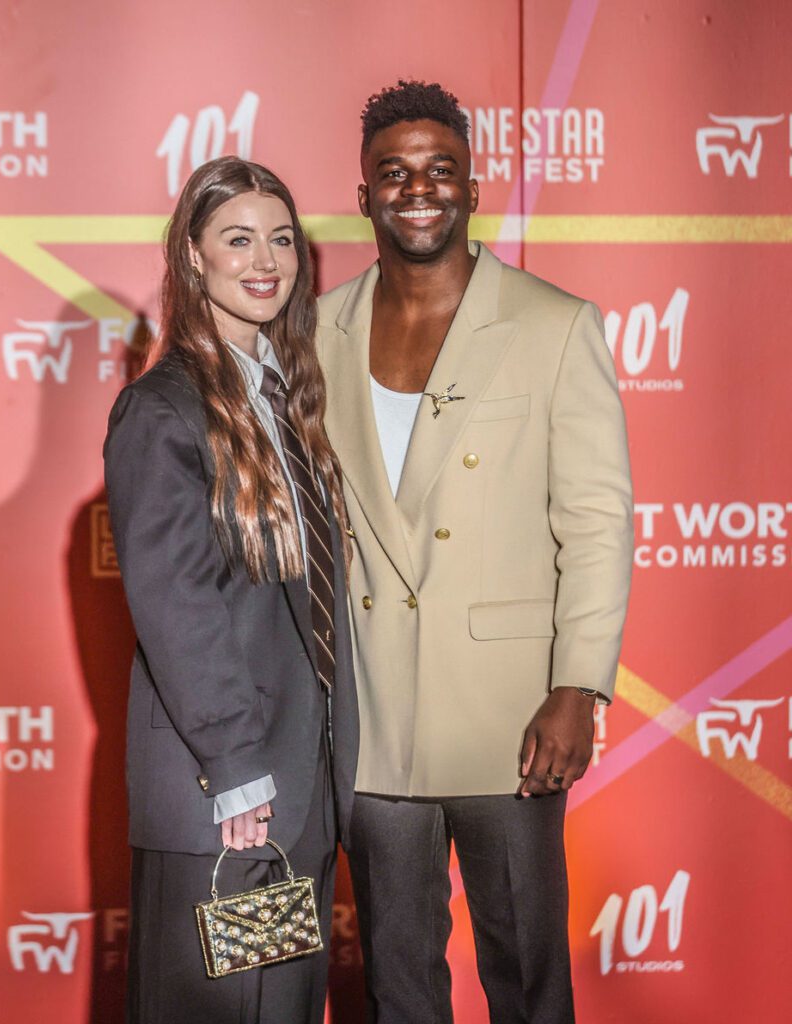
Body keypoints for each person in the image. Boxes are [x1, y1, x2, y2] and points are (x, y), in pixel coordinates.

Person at [316, 81, 633, 1023]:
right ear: (366, 191)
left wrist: (578, 687)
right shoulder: (316, 330)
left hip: (513, 720)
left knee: (528, 976)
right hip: (372, 720)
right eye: (396, 172)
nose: (420, 189)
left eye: (440, 169)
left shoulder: (553, 324)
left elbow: (597, 521)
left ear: (474, 185)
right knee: (397, 983)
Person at [104, 156, 358, 1024]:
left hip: (300, 787)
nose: (266, 260)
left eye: (281, 239)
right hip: (231, 799)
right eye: (238, 239)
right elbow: (177, 604)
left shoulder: (285, 402)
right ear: (193, 258)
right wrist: (238, 771)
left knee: (278, 1010)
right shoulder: (165, 409)